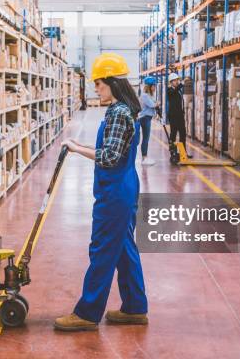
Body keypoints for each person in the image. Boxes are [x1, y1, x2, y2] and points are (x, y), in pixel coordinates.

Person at [56, 53, 148, 331]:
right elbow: (112, 148)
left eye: (98, 84)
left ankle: (87, 312)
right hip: (122, 187)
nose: (95, 89)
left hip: (115, 192)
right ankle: (134, 308)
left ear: (112, 83)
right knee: (123, 249)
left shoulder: (119, 113)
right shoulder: (120, 110)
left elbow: (109, 157)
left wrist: (75, 149)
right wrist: (80, 144)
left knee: (103, 250)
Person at [166, 73, 192, 158]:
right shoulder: (169, 90)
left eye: (178, 80)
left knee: (183, 134)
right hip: (173, 116)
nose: (177, 82)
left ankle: (183, 153)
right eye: (175, 80)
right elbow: (174, 91)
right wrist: (181, 84)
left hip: (180, 115)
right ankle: (173, 153)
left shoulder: (178, 90)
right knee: (173, 134)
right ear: (171, 82)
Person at [138, 76, 159, 166]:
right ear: (150, 86)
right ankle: (144, 157)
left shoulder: (150, 95)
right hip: (144, 118)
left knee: (146, 138)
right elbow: (152, 105)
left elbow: (155, 104)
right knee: (145, 138)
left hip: (147, 118)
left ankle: (144, 157)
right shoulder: (145, 95)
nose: (155, 87)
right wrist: (156, 104)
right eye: (154, 85)